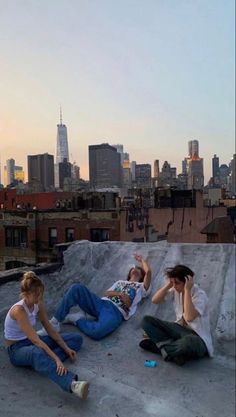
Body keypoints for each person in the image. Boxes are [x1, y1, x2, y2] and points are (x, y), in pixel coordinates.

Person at [4, 271, 89, 399]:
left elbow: (49, 328)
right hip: (17, 350)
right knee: (36, 352)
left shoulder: (38, 303)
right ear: (25, 294)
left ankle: (43, 364)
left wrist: (66, 348)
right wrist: (57, 359)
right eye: (36, 294)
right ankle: (72, 384)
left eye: (41, 294)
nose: (39, 297)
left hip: (31, 342)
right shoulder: (19, 310)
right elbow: (37, 341)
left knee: (75, 339)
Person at [38, 254, 151, 340]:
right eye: (133, 269)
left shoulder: (141, 287)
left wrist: (141, 260)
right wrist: (120, 294)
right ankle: (54, 323)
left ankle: (78, 319)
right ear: (129, 273)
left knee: (97, 332)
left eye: (138, 269)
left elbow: (149, 271)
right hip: (102, 303)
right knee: (77, 288)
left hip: (116, 312)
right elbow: (107, 293)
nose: (135, 269)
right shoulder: (120, 282)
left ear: (141, 276)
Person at [139, 265, 213, 366]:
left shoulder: (200, 295)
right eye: (172, 282)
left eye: (177, 283)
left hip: (197, 338)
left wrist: (187, 290)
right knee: (146, 320)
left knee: (189, 341)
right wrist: (169, 285)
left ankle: (160, 348)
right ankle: (174, 353)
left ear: (187, 282)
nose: (174, 286)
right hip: (178, 330)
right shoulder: (175, 290)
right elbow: (155, 300)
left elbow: (189, 317)